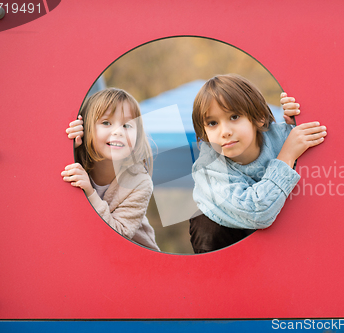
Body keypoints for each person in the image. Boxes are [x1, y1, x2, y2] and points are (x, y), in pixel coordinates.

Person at [189, 74, 327, 253]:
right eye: (212, 123)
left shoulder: (282, 137)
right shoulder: (208, 169)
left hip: (290, 237)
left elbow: (319, 137)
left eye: (234, 116)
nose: (225, 132)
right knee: (205, 223)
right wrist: (287, 156)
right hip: (229, 231)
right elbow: (257, 213)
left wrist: (300, 118)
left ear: (259, 117)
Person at [61, 88, 159, 251]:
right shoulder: (74, 160)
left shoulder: (139, 182)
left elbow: (119, 236)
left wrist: (90, 193)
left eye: (127, 125)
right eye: (106, 123)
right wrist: (68, 147)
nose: (118, 132)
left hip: (134, 256)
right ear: (86, 128)